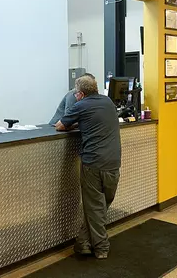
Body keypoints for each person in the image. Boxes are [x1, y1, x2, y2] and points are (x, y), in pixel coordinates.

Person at [56, 75, 121, 259]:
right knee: (100, 206)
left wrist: (75, 121)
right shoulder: (108, 102)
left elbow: (60, 126)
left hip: (93, 164)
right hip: (113, 162)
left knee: (94, 208)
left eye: (77, 93)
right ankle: (83, 244)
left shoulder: (80, 105)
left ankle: (101, 248)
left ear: (81, 93)